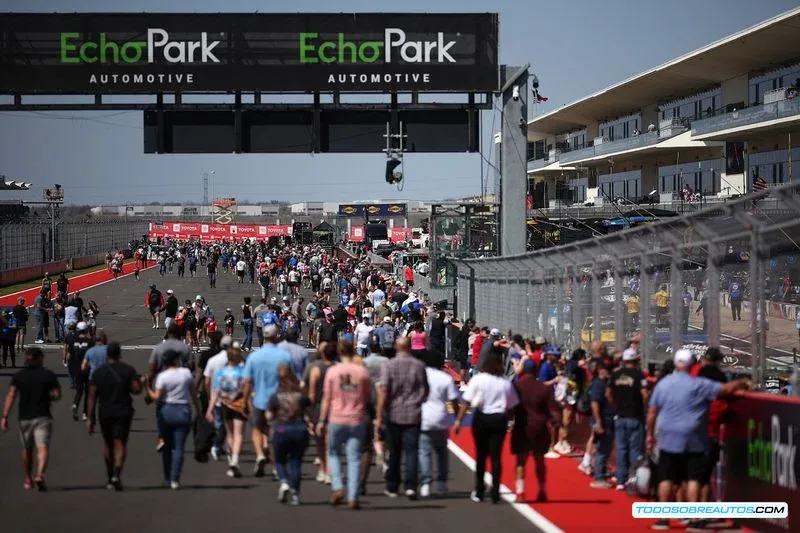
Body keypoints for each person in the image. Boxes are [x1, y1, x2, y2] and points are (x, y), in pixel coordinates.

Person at [646, 349, 749, 531]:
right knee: (694, 477)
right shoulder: (698, 384)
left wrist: (649, 435)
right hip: (694, 436)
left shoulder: (663, 384)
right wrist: (741, 382)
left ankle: (663, 517)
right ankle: (694, 518)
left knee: (666, 477)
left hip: (669, 436)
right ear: (691, 364)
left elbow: (652, 412)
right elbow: (725, 389)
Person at [454, 349, 519, 504]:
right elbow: (512, 406)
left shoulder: (478, 380)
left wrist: (458, 420)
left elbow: (466, 402)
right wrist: (511, 420)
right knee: (496, 456)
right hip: (499, 419)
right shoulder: (504, 382)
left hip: (482, 418)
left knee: (481, 455)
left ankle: (479, 489)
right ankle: (495, 491)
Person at [318, 340, 372, 509]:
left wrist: (321, 420)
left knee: (333, 453)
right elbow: (367, 395)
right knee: (354, 457)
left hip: (337, 417)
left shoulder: (333, 371)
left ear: (340, 353)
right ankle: (353, 495)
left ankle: (337, 486)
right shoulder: (362, 372)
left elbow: (327, 398)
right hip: (356, 417)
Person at [376, 336, 429, 499]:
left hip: (394, 413)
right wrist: (419, 400)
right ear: (410, 347)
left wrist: (379, 415)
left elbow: (384, 390)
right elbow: (425, 389)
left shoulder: (389, 365)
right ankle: (411, 486)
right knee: (411, 451)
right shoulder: (419, 365)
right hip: (413, 413)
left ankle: (392, 486)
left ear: (396, 347)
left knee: (394, 452)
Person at [1, 347, 61, 491]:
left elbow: (11, 395)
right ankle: (39, 474)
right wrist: (49, 396)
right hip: (43, 415)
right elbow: (57, 394)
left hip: (25, 417)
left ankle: (28, 477)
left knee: (27, 449)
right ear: (40, 359)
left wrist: (5, 416)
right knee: (42, 447)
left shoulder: (19, 376)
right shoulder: (48, 375)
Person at [86, 342, 142, 491]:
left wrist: (90, 419)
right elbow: (136, 390)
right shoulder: (128, 370)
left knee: (108, 444)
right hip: (123, 410)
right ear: (119, 354)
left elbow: (92, 396)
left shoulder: (99, 372)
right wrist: (141, 383)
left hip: (105, 411)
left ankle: (110, 476)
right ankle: (117, 474)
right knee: (120, 443)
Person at [243, 324, 292, 477]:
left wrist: (244, 400)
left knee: (257, 428)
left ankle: (260, 454)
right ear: (276, 336)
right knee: (275, 434)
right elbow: (290, 379)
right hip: (279, 400)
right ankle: (276, 466)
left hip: (259, 399)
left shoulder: (254, 356)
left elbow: (247, 382)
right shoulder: (284, 356)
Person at [147, 348, 200, 490]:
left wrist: (148, 389)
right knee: (179, 447)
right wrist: (198, 410)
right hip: (183, 411)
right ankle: (175, 479)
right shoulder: (186, 374)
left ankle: (166, 477)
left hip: (167, 411)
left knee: (167, 447)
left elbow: (157, 397)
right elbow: (193, 394)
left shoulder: (163, 377)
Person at [511, 358, 557, 502]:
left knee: (521, 461)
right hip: (540, 427)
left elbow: (510, 408)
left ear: (523, 370)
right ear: (536, 371)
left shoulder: (517, 386)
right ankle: (542, 490)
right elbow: (553, 411)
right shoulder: (544, 388)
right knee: (539, 460)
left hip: (522, 427)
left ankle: (520, 491)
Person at [268, 363, 312, 506]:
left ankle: (284, 481)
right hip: (299, 429)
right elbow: (309, 412)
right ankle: (295, 493)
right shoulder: (300, 395)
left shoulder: (276, 396)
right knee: (296, 461)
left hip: (281, 429)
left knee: (279, 460)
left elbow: (269, 415)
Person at [418, 350, 458, 498]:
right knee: (441, 452)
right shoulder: (445, 378)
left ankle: (425, 484)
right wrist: (457, 416)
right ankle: (441, 482)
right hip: (441, 418)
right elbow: (454, 399)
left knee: (424, 452)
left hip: (423, 418)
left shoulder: (419, 376)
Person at [607, 347, 648, 491]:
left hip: (620, 416)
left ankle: (620, 479)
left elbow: (608, 394)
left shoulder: (615, 374)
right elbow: (645, 394)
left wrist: (616, 406)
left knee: (621, 449)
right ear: (636, 360)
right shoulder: (639, 375)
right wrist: (644, 409)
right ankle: (632, 480)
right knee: (635, 450)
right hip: (635, 416)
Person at [206, 342, 247, 478]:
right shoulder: (243, 372)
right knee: (239, 433)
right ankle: (235, 459)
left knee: (230, 433)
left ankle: (232, 456)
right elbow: (248, 389)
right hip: (239, 404)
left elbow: (216, 392)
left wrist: (210, 408)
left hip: (225, 404)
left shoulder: (221, 373)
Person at [305, 341, 337, 484]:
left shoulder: (316, 369)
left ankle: (324, 470)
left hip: (318, 406)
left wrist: (307, 412)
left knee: (320, 441)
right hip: (335, 406)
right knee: (330, 441)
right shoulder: (337, 368)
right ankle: (328, 470)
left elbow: (311, 394)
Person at [63, 322, 94, 421]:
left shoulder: (72, 341)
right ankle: (85, 413)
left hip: (76, 368)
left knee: (79, 391)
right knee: (87, 392)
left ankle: (75, 404)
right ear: (85, 330)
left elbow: (69, 353)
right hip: (87, 369)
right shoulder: (89, 342)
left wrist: (66, 360)